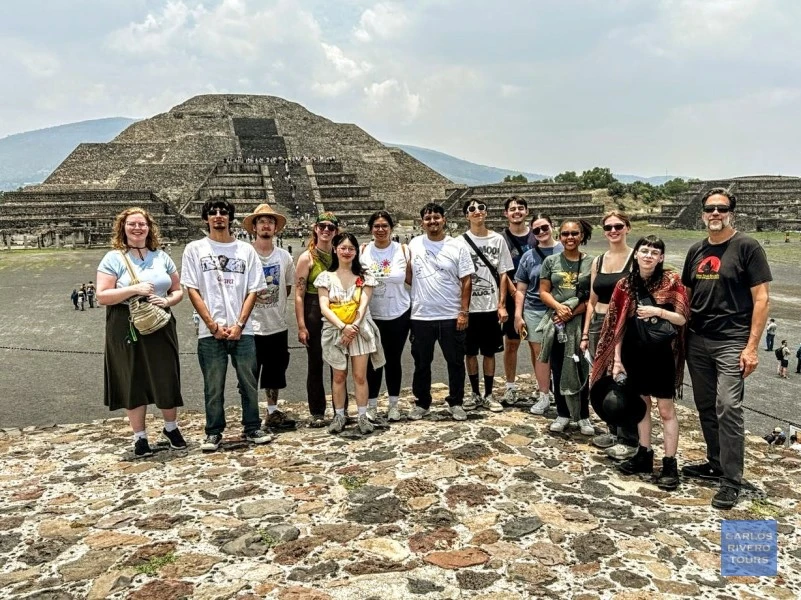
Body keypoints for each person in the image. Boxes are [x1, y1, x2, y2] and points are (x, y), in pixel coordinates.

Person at [681, 187, 772, 510]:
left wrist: (752, 348)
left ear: (731, 212)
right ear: (702, 213)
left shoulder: (747, 247)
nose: (715, 214)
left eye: (721, 209)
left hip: (732, 341)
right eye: (710, 209)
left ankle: (732, 479)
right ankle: (715, 462)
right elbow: (686, 297)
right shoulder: (696, 250)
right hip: (698, 339)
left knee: (728, 406)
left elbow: (761, 298)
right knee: (705, 405)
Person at [590, 236, 689, 489]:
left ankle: (669, 463)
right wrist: (617, 359)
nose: (648, 256)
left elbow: (682, 319)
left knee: (666, 411)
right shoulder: (625, 284)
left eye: (654, 252)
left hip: (661, 355)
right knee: (641, 407)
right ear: (636, 255)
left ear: (661, 258)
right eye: (644, 251)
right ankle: (644, 454)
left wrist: (659, 312)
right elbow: (617, 325)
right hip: (634, 353)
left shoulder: (672, 281)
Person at [181, 198, 272, 452]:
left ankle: (252, 426)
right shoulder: (194, 249)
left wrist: (240, 324)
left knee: (248, 382)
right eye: (213, 212)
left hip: (243, 329)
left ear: (230, 217)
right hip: (210, 331)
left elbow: (253, 290)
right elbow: (192, 289)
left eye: (223, 212)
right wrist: (212, 325)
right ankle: (213, 431)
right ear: (206, 218)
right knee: (213, 385)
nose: (218, 216)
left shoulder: (246, 250)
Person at [96, 207, 186, 457]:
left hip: (160, 320)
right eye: (131, 224)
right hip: (125, 322)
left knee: (166, 373)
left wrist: (168, 302)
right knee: (132, 377)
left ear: (150, 227)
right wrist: (133, 290)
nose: (137, 228)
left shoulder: (162, 257)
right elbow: (102, 295)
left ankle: (171, 428)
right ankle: (140, 437)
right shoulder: (113, 258)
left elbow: (177, 290)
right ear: (122, 229)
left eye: (142, 224)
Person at [408, 202, 474, 421]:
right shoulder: (414, 244)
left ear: (444, 219)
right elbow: (409, 274)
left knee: (455, 361)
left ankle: (456, 401)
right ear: (422, 223)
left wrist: (463, 311)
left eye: (436, 217)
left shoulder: (457, 246)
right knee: (421, 363)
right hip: (421, 315)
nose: (432, 221)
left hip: (450, 314)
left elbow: (466, 280)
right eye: (428, 218)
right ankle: (422, 402)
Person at [581, 211, 639, 460]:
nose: (613, 231)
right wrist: (585, 332)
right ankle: (613, 431)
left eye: (618, 226)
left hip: (623, 325)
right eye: (608, 227)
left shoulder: (635, 259)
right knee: (601, 379)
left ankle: (629, 438)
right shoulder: (599, 261)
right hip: (597, 323)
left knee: (622, 378)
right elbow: (592, 301)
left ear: (627, 228)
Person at [316, 233, 384, 435]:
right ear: (335, 249)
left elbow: (363, 305)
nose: (347, 252)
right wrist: (342, 327)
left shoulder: (364, 277)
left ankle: (363, 415)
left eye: (351, 249)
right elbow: (324, 308)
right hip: (335, 331)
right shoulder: (326, 278)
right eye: (343, 248)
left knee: (359, 376)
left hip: (359, 330)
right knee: (338, 376)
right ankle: (339, 415)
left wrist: (352, 327)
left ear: (356, 252)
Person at [243, 204, 296, 431]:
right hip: (249, 327)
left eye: (270, 221)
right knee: (248, 375)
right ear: (254, 226)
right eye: (261, 221)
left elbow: (287, 287)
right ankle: (251, 417)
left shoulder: (284, 257)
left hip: (276, 325)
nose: (266, 225)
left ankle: (272, 412)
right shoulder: (244, 254)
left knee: (275, 374)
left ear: (276, 227)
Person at [537, 219, 593, 434]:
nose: (570, 237)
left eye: (574, 233)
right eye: (565, 234)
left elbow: (592, 297)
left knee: (582, 368)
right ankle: (562, 413)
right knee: (559, 368)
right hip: (558, 321)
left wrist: (571, 312)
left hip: (580, 321)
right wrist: (559, 309)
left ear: (582, 236)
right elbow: (543, 291)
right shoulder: (551, 261)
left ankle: (583, 416)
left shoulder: (591, 263)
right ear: (560, 237)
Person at [459, 199, 514, 412]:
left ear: (486, 212)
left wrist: (501, 304)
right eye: (471, 209)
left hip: (490, 306)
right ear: (466, 215)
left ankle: (489, 394)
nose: (477, 212)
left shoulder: (497, 239)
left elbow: (503, 274)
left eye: (481, 208)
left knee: (489, 352)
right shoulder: (459, 242)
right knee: (470, 352)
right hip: (470, 307)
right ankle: (474, 393)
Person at [360, 211, 411, 423]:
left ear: (391, 228)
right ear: (371, 229)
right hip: (372, 315)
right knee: (373, 362)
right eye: (376, 226)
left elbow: (412, 279)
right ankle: (372, 405)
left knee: (393, 360)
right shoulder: (363, 250)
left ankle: (393, 404)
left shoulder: (403, 250)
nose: (380, 230)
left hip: (398, 313)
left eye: (384, 226)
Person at [295, 213, 343, 427]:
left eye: (331, 227)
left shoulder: (339, 254)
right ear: (315, 228)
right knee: (315, 362)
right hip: (313, 309)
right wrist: (301, 325)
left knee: (338, 362)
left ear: (336, 232)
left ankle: (339, 409)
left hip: (336, 309)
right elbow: (299, 293)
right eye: (322, 226)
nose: (326, 230)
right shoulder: (307, 258)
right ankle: (317, 411)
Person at [513, 213, 562, 415]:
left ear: (552, 226)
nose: (541, 232)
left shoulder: (565, 249)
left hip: (561, 310)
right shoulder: (528, 256)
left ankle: (563, 394)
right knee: (541, 355)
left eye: (545, 228)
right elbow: (521, 289)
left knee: (563, 354)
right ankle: (544, 395)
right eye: (536, 230)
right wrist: (518, 314)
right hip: (534, 310)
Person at [499, 196, 531, 405]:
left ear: (527, 211)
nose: (517, 212)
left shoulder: (537, 235)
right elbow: (502, 269)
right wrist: (514, 293)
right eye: (512, 209)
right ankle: (510, 387)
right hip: (512, 296)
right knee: (511, 343)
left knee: (539, 345)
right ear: (506, 214)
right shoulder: (501, 238)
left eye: (520, 208)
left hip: (537, 296)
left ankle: (545, 387)